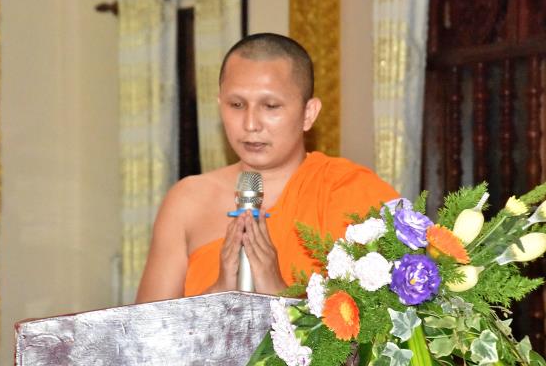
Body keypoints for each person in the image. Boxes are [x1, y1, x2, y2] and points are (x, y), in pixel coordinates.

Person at [135, 33, 398, 303]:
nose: (251, 124)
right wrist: (216, 295)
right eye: (237, 105)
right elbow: (144, 327)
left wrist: (278, 292)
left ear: (308, 113)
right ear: (220, 105)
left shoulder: (351, 193)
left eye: (270, 106)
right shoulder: (187, 201)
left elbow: (394, 323)